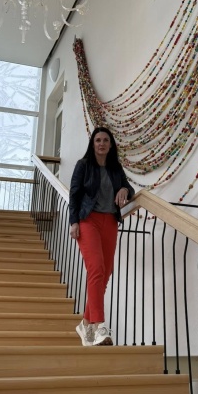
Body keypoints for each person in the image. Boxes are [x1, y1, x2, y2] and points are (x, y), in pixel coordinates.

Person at [69, 127, 135, 346]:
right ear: (93, 143)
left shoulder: (115, 168)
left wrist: (125, 189)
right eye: (98, 140)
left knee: (105, 273)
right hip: (88, 220)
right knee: (96, 268)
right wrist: (73, 222)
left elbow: (130, 189)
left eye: (106, 140)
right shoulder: (83, 165)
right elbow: (74, 194)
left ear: (110, 144)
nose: (102, 143)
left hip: (110, 222)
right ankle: (99, 327)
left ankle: (86, 323)